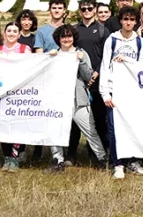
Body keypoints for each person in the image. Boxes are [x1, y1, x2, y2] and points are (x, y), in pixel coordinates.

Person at [46, 24, 107, 173]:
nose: (66, 39)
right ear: (58, 39)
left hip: (78, 100)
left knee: (90, 130)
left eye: (69, 36)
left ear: (74, 38)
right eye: (63, 36)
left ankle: (102, 158)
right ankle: (58, 160)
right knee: (55, 130)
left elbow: (88, 77)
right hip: (58, 100)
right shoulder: (54, 54)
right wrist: (49, 59)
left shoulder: (81, 53)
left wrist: (82, 61)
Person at [100, 6, 143, 179]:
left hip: (133, 92)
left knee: (133, 128)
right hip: (115, 91)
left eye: (132, 19)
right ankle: (118, 163)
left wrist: (126, 59)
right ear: (120, 20)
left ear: (136, 22)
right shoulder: (111, 40)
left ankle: (133, 161)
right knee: (114, 130)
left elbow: (142, 67)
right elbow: (105, 67)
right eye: (125, 19)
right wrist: (105, 93)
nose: (128, 22)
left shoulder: (140, 42)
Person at [70, 0, 110, 165]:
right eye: (83, 9)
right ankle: (71, 154)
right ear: (80, 11)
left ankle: (98, 153)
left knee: (99, 119)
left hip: (97, 81)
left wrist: (97, 73)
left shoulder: (102, 30)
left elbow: (106, 55)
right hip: (78, 81)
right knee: (75, 121)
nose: (87, 11)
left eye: (90, 8)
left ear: (95, 10)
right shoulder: (74, 29)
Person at [0, 22, 32, 172]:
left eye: (15, 31)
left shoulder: (25, 49)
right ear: (4, 33)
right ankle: (7, 156)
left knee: (17, 124)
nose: (11, 33)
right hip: (2, 92)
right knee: (4, 124)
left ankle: (15, 157)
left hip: (19, 91)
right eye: (9, 30)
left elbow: (30, 67)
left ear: (19, 34)